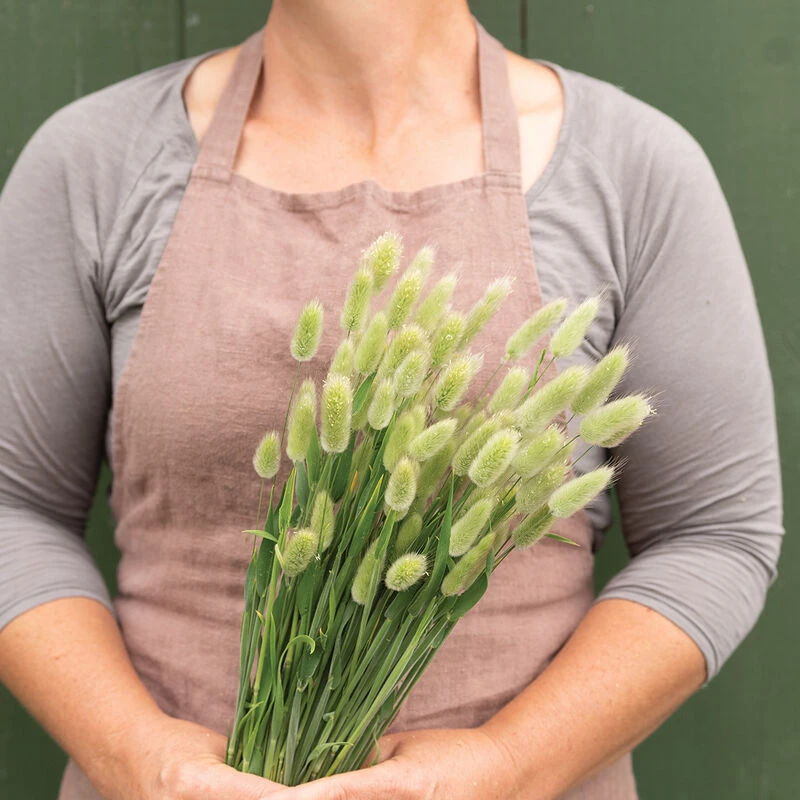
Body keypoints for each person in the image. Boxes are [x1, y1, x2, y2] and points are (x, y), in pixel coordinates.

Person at [0, 1, 783, 798]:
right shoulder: (95, 159)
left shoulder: (631, 167)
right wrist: (141, 761)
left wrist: (510, 766)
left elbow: (716, 535)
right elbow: (10, 507)